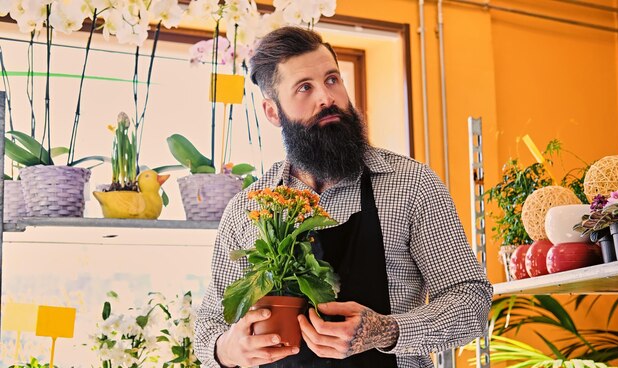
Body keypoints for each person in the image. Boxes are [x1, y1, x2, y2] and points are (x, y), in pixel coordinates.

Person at [194, 26, 493, 368]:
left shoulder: (412, 184)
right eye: (305, 88)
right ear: (273, 112)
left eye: (332, 79)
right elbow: (209, 326)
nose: (326, 98)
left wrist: (388, 331)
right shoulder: (248, 208)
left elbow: (472, 300)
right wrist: (227, 349)